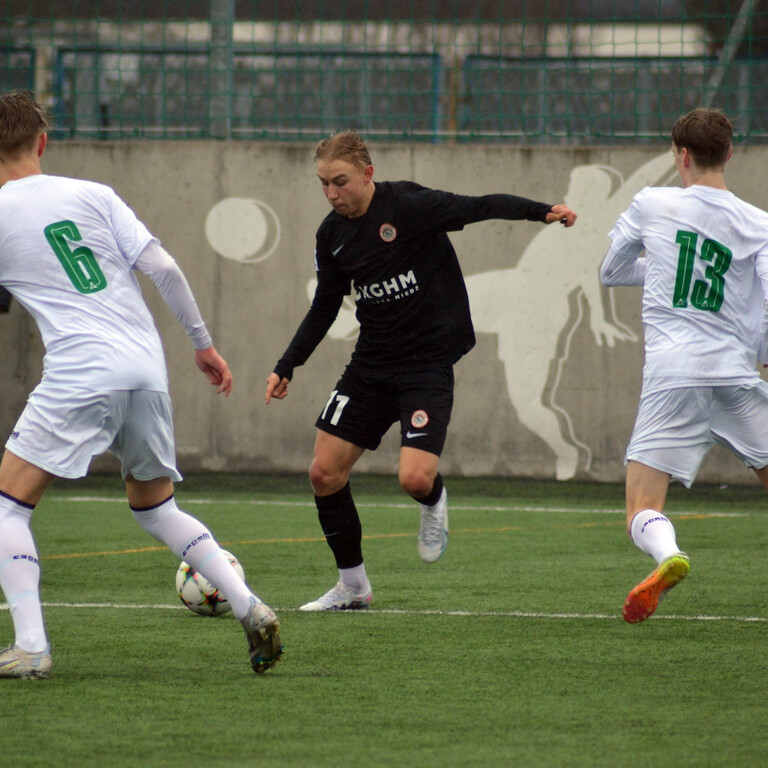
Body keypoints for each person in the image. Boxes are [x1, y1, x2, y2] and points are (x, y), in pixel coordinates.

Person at [0, 90, 282, 678]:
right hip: (146, 370)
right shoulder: (94, 194)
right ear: (43, 142)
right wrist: (202, 344)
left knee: (6, 509)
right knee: (156, 509)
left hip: (81, 370)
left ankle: (31, 647)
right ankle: (248, 604)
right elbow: (164, 268)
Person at [265, 129, 577, 611]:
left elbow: (478, 205)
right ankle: (353, 587)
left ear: (368, 175)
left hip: (425, 368)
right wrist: (288, 364)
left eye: (340, 182)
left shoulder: (408, 205)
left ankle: (433, 503)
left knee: (413, 478)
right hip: (369, 367)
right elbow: (326, 305)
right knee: (324, 473)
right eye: (323, 184)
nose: (331, 193)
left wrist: (542, 210)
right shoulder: (331, 235)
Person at [601, 107, 768, 623]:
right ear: (730, 154)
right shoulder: (759, 222)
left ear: (682, 155)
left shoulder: (653, 203)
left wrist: (664, 261)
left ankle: (668, 554)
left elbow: (611, 270)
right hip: (736, 372)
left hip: (673, 376)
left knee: (642, 507)